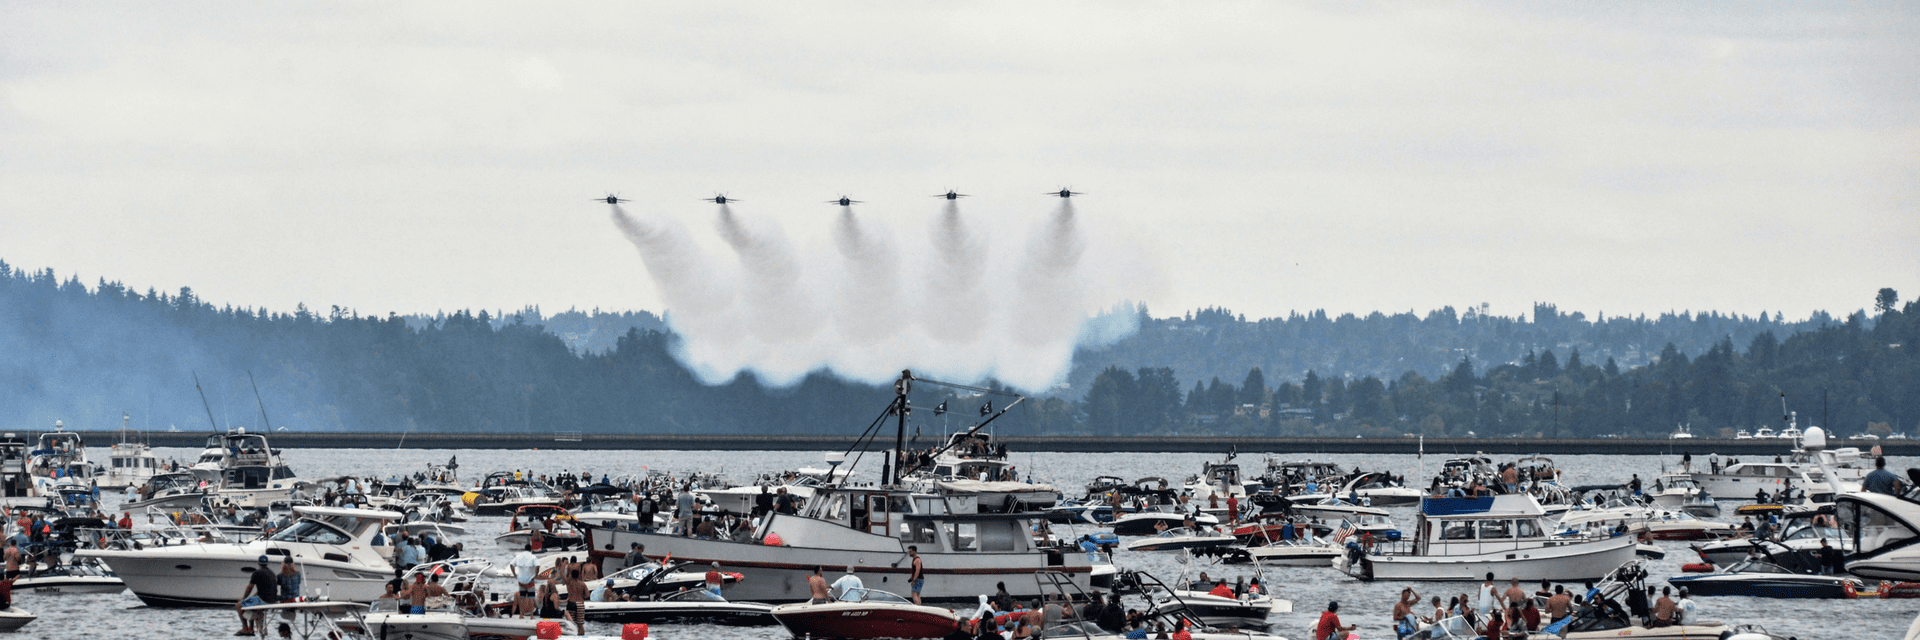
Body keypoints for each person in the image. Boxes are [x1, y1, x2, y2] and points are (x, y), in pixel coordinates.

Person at [235, 555, 280, 635]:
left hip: (263, 600)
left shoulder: (257, 573)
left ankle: (245, 628)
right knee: (251, 602)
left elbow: (250, 587)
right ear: (267, 564)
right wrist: (248, 599)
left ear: (259, 564)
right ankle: (251, 629)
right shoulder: (271, 573)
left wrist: (243, 599)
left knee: (238, 605)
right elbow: (262, 590)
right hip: (272, 600)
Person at [511, 550, 539, 618]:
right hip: (530, 580)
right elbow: (538, 566)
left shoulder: (519, 556)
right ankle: (532, 615)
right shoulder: (533, 557)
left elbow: (511, 565)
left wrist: (514, 574)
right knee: (531, 597)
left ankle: (521, 614)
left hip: (521, 580)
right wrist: (536, 574)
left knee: (522, 597)